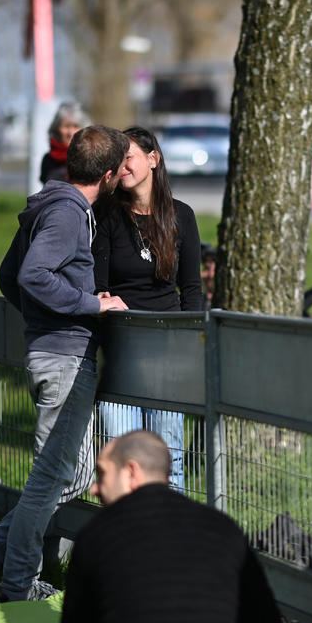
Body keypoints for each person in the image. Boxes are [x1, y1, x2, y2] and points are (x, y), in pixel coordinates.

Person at [40, 430, 290, 623]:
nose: (95, 489)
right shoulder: (222, 526)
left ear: (131, 471)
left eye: (102, 474)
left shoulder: (95, 536)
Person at [0, 124, 129, 602]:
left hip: (57, 351)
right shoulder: (67, 214)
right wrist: (90, 306)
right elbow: (31, 274)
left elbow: (9, 277)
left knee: (74, 475)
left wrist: (66, 305)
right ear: (107, 176)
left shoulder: (49, 204)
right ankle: (11, 578)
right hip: (63, 359)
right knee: (52, 477)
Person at [92, 126, 203, 489]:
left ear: (153, 159)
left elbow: (191, 290)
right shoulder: (107, 216)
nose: (122, 166)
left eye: (129, 157)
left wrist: (189, 348)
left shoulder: (182, 217)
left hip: (166, 355)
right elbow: (98, 286)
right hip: (121, 352)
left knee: (165, 456)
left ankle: (171, 537)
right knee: (122, 458)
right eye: (117, 160)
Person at [41, 102, 89, 185]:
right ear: (56, 129)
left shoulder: (90, 157)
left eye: (76, 126)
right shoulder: (48, 159)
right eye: (66, 126)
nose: (71, 132)